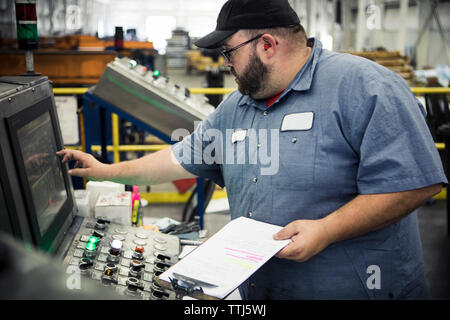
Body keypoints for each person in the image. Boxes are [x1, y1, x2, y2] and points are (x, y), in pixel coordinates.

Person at [57, 0, 447, 299]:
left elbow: (414, 183)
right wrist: (105, 170)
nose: (225, 63)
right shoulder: (238, 105)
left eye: (229, 52)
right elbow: (182, 156)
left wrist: (327, 230)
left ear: (266, 44)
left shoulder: (365, 87)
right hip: (260, 292)